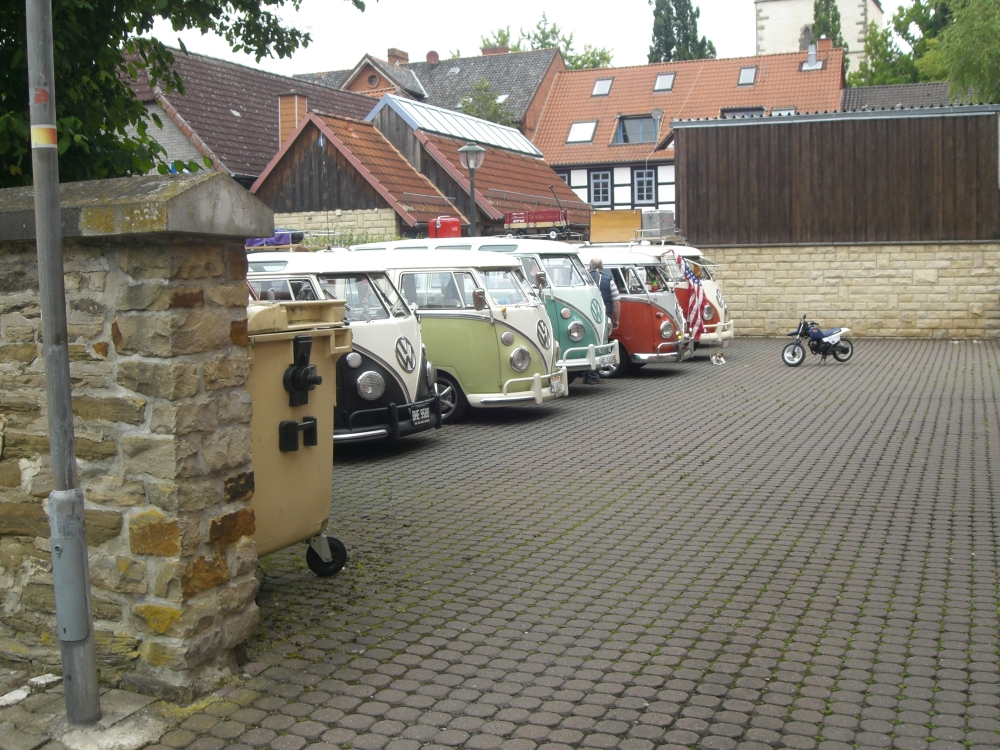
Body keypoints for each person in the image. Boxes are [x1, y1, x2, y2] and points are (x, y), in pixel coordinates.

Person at [583, 258, 620, 384]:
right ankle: (593, 375)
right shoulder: (609, 281)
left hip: (585, 316)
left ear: (590, 267)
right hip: (603, 318)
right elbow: (616, 303)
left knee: (587, 345)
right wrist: (616, 319)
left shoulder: (582, 278)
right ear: (602, 267)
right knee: (599, 345)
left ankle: (586, 374)